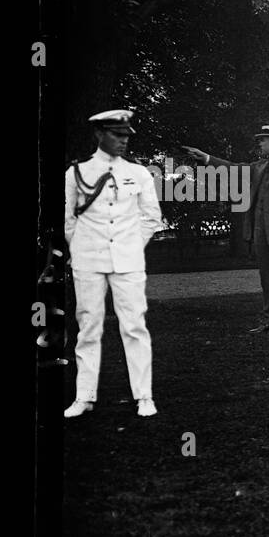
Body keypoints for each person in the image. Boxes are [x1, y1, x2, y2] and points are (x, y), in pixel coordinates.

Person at [63, 109, 165, 418]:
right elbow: (68, 220)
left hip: (128, 260)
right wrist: (81, 249)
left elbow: (151, 218)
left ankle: (144, 396)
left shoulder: (139, 173)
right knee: (88, 327)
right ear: (99, 135)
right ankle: (85, 396)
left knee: (134, 326)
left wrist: (132, 246)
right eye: (116, 135)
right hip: (88, 259)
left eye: (125, 137)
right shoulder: (76, 173)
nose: (123, 141)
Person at [185, 124, 269, 334]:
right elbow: (232, 167)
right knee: (266, 277)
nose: (259, 143)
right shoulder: (258, 166)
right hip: (260, 231)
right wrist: (206, 158)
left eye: (263, 140)